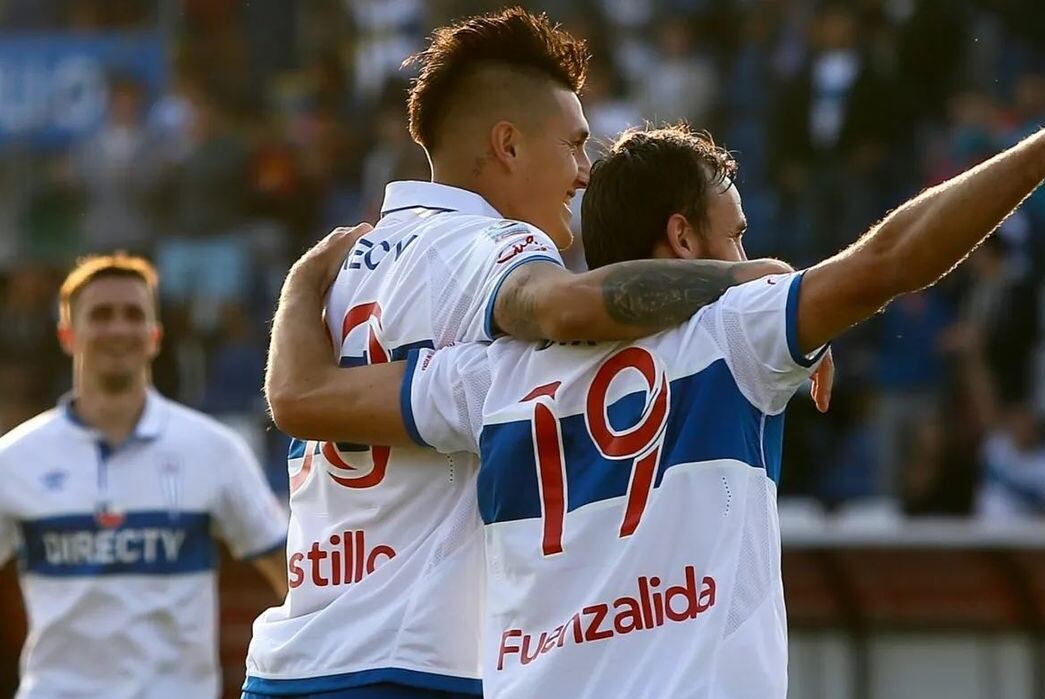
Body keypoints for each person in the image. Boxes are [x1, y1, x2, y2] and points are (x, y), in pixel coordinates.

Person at [267, 122, 1045, 697]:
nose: (747, 257)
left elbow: (302, 397)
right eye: (735, 235)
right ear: (681, 237)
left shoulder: (490, 373)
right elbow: (891, 260)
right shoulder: (735, 334)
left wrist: (303, 285)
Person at [248, 10, 831, 699]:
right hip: (413, 666)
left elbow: (294, 399)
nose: (583, 173)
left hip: (291, 662)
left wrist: (297, 285)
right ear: (508, 145)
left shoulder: (346, 263)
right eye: (574, 145)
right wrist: (749, 282)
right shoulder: (488, 245)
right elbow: (566, 308)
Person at [0, 253, 289, 699]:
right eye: (101, 315)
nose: (119, 328)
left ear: (155, 335)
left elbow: (292, 575)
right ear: (67, 335)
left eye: (133, 314)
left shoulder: (214, 449)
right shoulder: (15, 459)